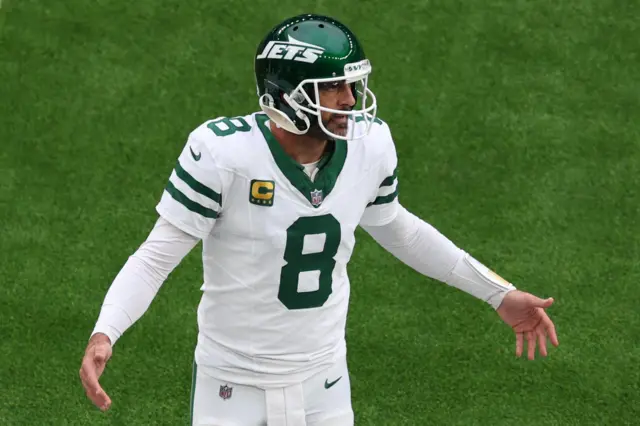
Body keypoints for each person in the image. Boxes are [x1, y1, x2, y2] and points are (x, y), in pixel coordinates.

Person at [79, 13, 559, 426]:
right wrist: (106, 331)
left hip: (323, 378)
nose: (350, 99)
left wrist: (496, 291)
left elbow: (399, 228)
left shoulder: (370, 146)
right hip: (232, 383)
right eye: (331, 86)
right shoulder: (224, 154)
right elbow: (155, 258)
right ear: (284, 94)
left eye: (351, 84)